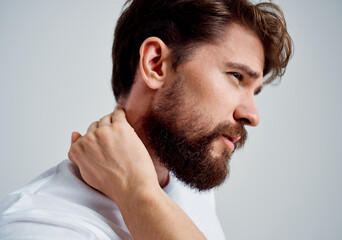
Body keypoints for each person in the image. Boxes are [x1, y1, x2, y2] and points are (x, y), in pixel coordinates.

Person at [0, 0, 293, 239]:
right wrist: (138, 191)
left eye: (255, 92)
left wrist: (138, 190)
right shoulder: (41, 228)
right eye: (236, 76)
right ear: (156, 65)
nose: (252, 115)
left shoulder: (191, 194)